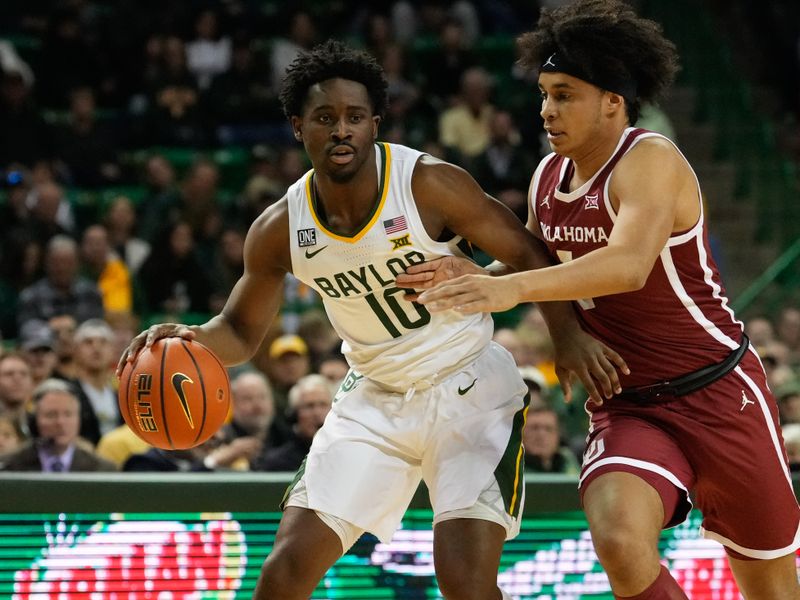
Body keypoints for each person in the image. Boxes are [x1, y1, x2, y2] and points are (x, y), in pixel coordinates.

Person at [118, 40, 624, 600]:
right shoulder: (279, 228)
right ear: (297, 127)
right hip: (374, 398)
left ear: (375, 124)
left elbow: (530, 252)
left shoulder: (428, 183)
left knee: (465, 582)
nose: (342, 130)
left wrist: (567, 337)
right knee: (283, 573)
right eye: (325, 118)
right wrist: (190, 340)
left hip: (469, 388)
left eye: (356, 117)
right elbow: (238, 332)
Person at [406, 2, 800, 598]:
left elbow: (626, 265)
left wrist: (505, 288)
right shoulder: (546, 178)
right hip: (628, 404)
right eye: (543, 94)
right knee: (617, 538)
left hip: (718, 390)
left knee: (770, 585)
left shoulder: (652, 160)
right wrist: (466, 278)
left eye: (564, 95)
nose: (546, 110)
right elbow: (536, 263)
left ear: (612, 100)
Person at [0, 378, 117, 472]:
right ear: (34, 421)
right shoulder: (8, 466)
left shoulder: (102, 469)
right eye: (51, 415)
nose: (61, 422)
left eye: (68, 414)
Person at [254, 374, 332, 472]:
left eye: (323, 404)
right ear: (294, 414)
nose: (317, 413)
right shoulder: (276, 463)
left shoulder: (346, 452)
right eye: (309, 406)